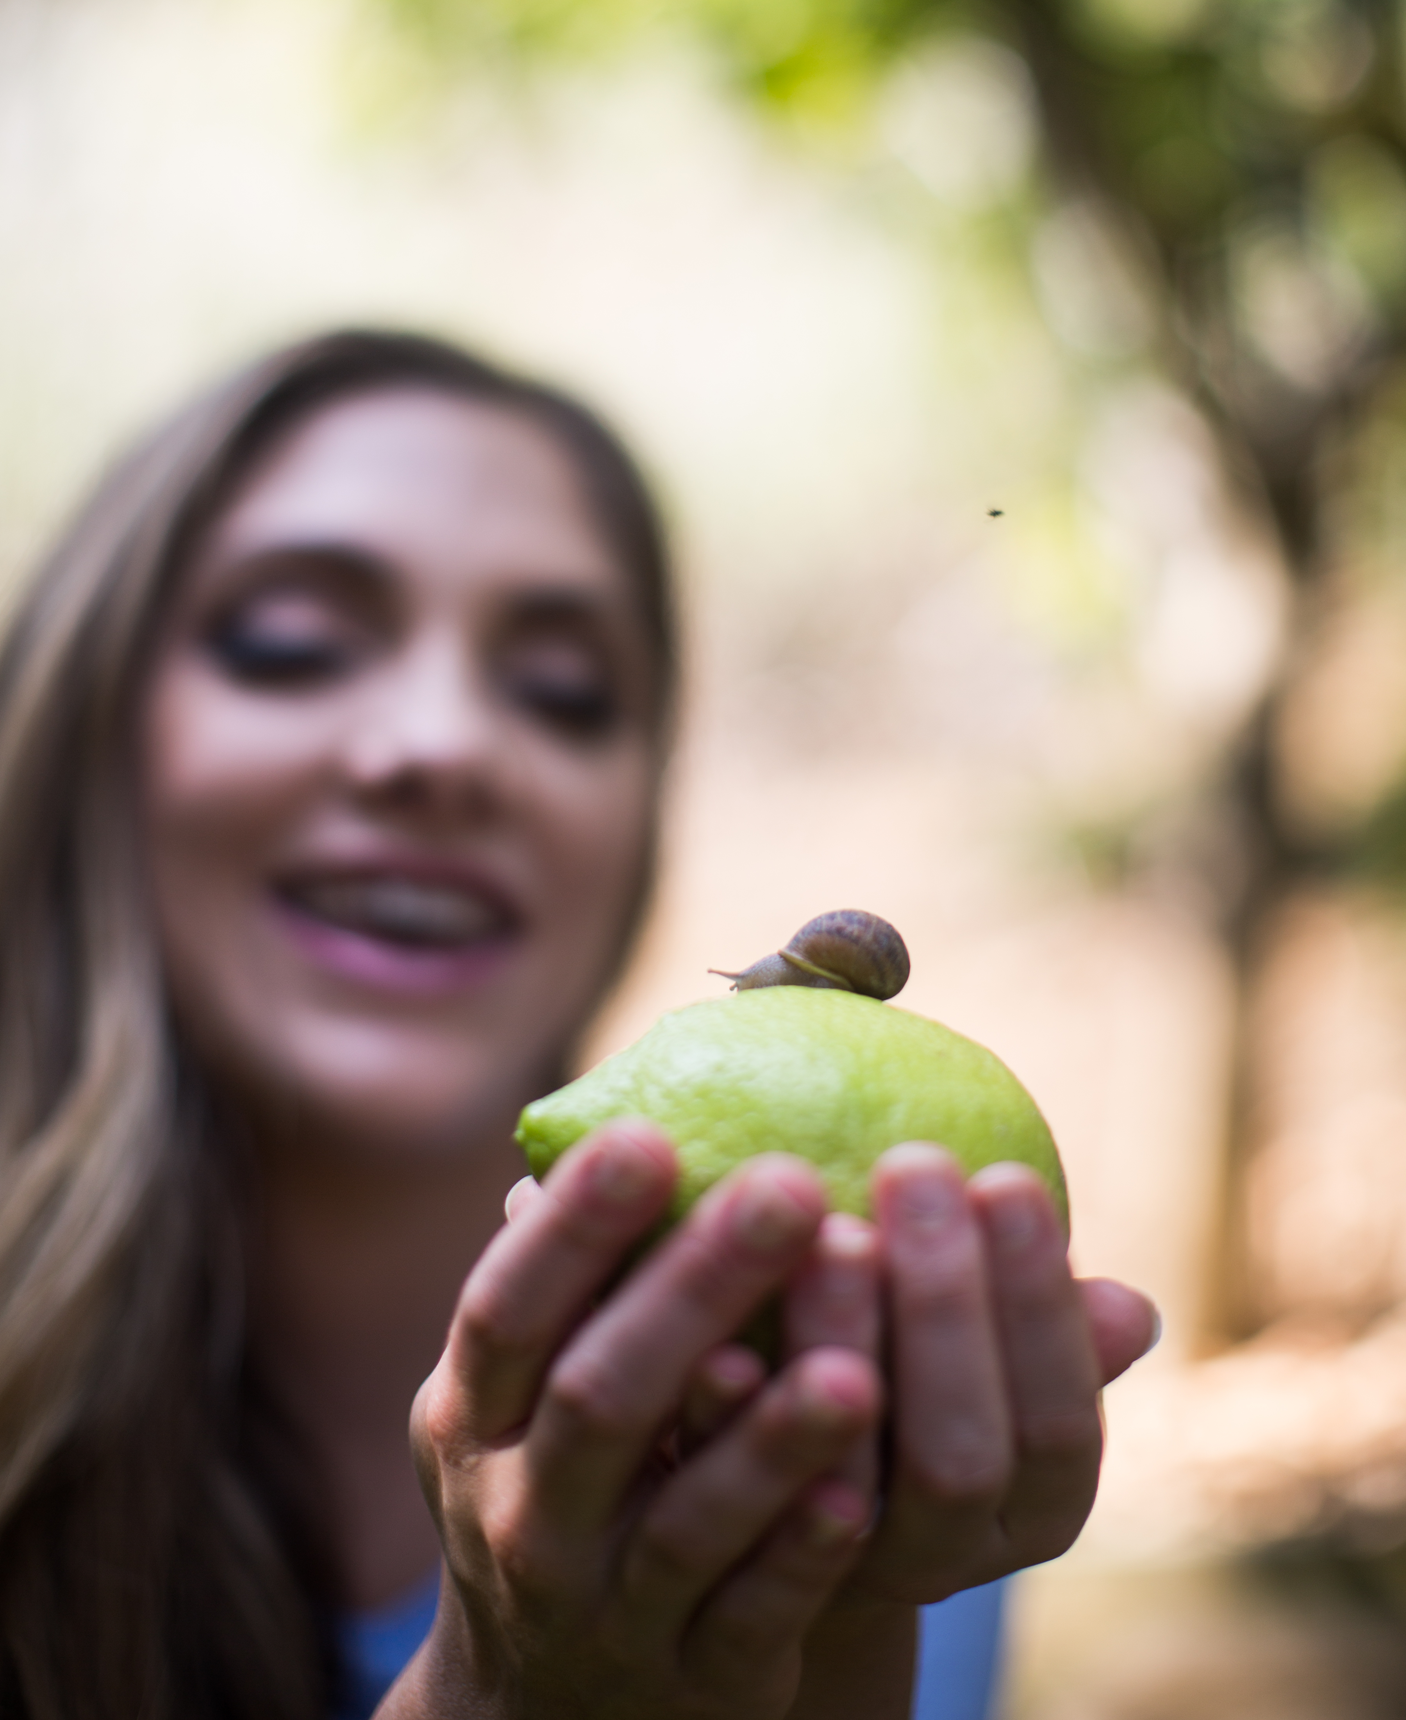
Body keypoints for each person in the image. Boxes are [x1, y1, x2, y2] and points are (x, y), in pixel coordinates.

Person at [0, 328, 1156, 1720]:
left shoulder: (860, 1482)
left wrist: (829, 1640)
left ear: (635, 822)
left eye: (563, 691)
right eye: (292, 645)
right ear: (86, 728)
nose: (443, 745)